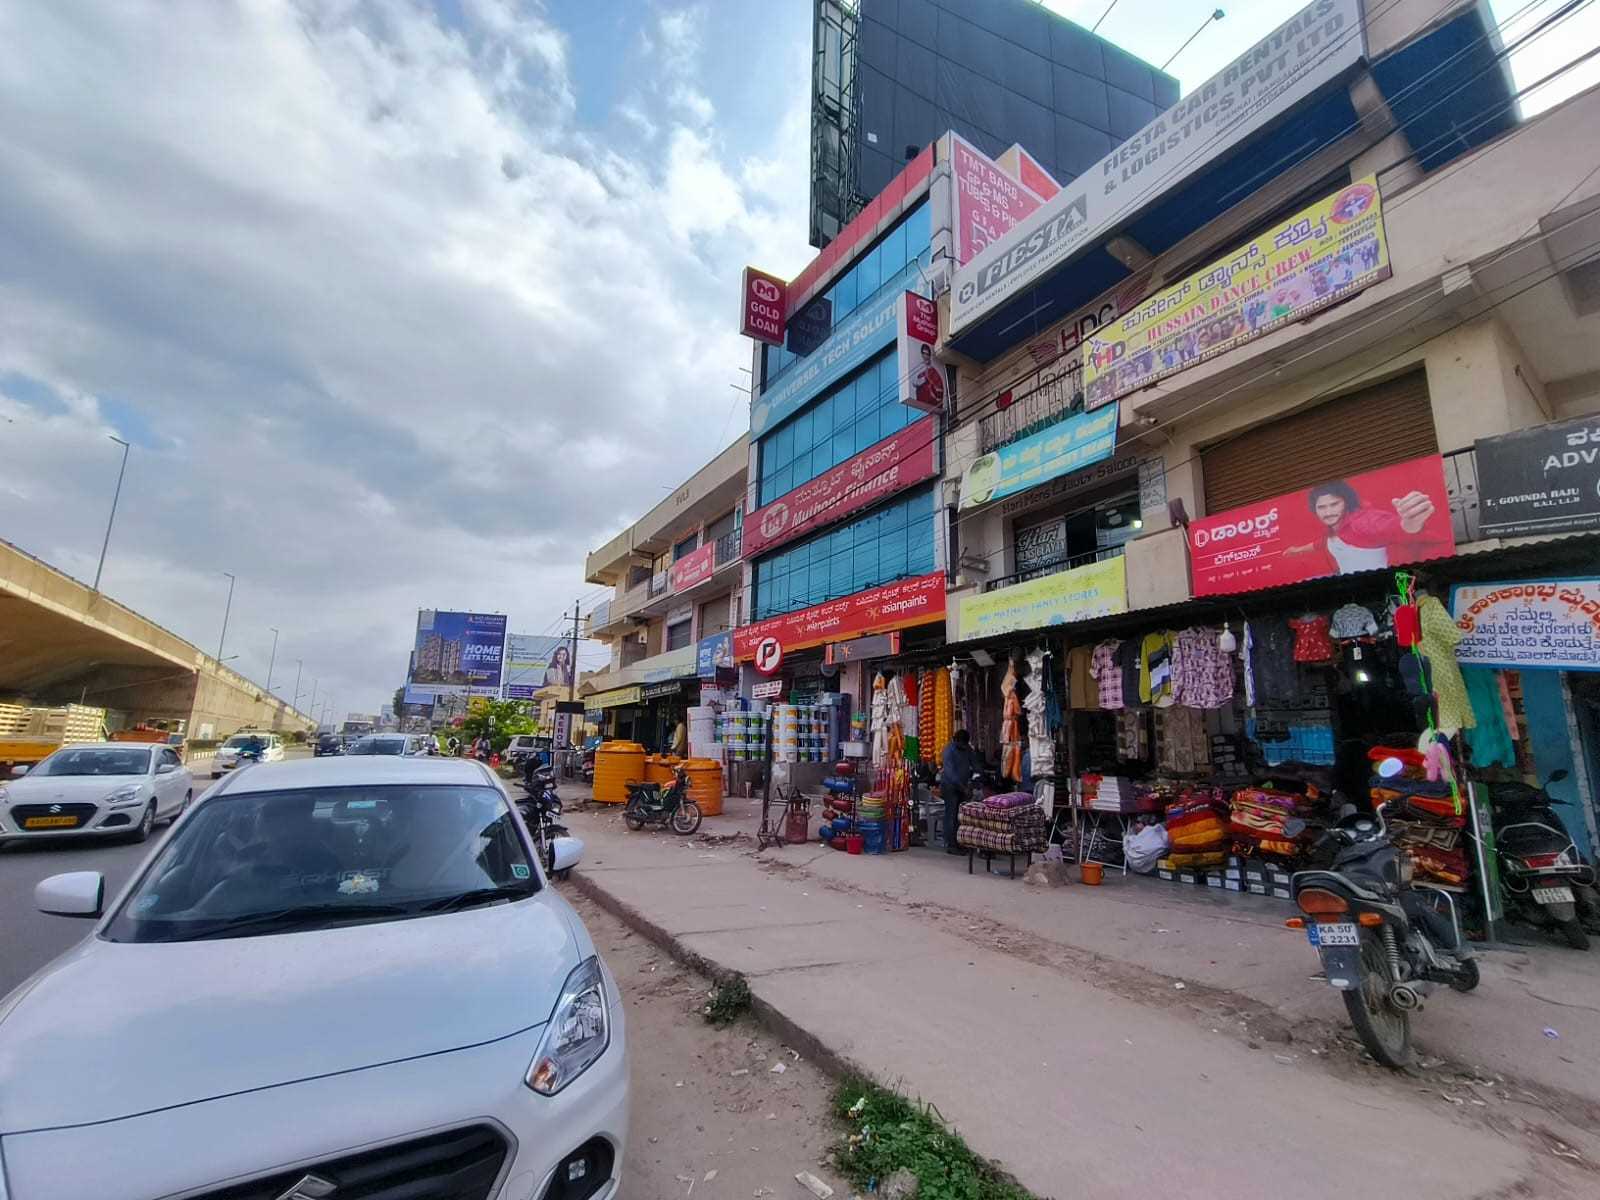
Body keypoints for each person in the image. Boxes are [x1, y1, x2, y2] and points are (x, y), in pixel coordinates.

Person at [1284, 479, 1445, 575]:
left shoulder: (1362, 523)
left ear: (1346, 502)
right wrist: (1297, 550)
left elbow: (1392, 528)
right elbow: (1322, 543)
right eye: (1322, 507)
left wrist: (1410, 522)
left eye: (1334, 504)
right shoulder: (1334, 530)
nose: (1328, 512)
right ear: (1315, 510)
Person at [938, 729, 981, 855]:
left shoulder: (968, 749)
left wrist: (976, 778)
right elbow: (950, 773)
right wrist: (963, 787)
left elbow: (976, 765)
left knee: (961, 816)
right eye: (962, 744)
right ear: (956, 741)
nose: (964, 747)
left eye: (965, 745)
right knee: (951, 814)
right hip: (950, 786)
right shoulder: (949, 751)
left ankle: (960, 842)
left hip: (964, 786)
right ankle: (951, 844)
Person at [912, 342, 945, 411]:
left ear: (929, 356)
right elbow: (914, 383)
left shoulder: (933, 370)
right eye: (924, 353)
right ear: (921, 354)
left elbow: (939, 388)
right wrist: (924, 379)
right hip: (920, 404)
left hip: (931, 404)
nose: (925, 356)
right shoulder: (918, 368)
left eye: (927, 354)